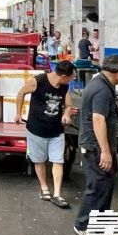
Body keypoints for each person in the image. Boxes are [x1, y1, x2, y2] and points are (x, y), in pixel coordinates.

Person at [74, 54, 118, 235]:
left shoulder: (102, 82)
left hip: (98, 145)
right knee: (97, 187)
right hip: (95, 147)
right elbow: (98, 119)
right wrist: (105, 151)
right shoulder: (102, 90)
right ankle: (83, 225)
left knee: (105, 186)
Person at [14, 61, 75, 209]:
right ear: (64, 76)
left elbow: (68, 105)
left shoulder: (65, 86)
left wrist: (67, 114)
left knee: (58, 160)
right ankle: (44, 188)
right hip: (36, 129)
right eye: (71, 77)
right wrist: (18, 113)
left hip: (56, 130)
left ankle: (57, 194)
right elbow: (21, 92)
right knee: (39, 160)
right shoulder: (38, 81)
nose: (72, 80)